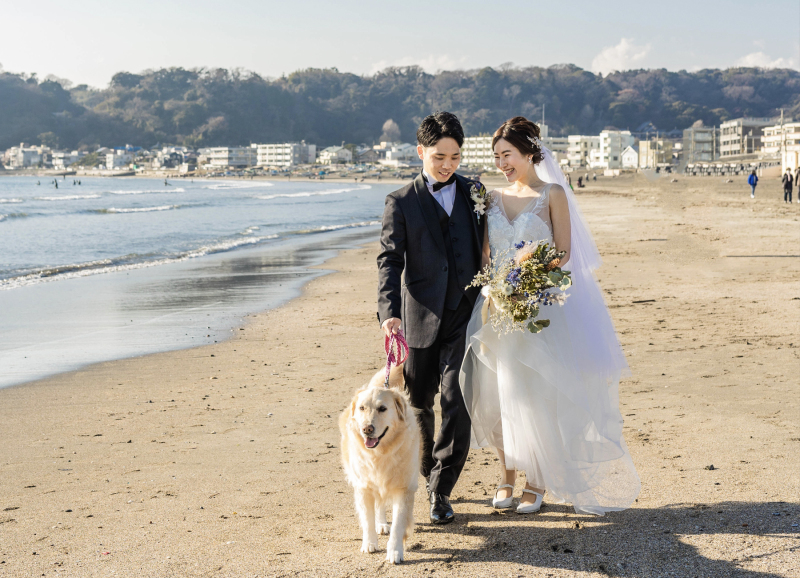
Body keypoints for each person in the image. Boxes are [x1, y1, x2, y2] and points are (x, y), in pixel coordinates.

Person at [459, 116, 640, 515]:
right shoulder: (491, 198)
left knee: (537, 393)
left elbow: (563, 253)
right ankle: (506, 476)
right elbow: (487, 255)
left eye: (507, 154)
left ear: (528, 152)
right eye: (496, 157)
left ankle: (536, 480)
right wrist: (496, 286)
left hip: (539, 306)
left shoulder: (553, 193)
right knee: (499, 392)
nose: (502, 163)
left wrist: (527, 277)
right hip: (497, 307)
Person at [377, 112, 485, 525]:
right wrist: (389, 314)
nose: (448, 165)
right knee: (419, 404)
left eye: (455, 157)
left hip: (465, 313)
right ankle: (425, 472)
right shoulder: (400, 202)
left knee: (457, 399)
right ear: (421, 151)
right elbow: (389, 260)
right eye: (440, 156)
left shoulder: (475, 192)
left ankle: (441, 488)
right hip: (418, 316)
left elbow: (488, 246)